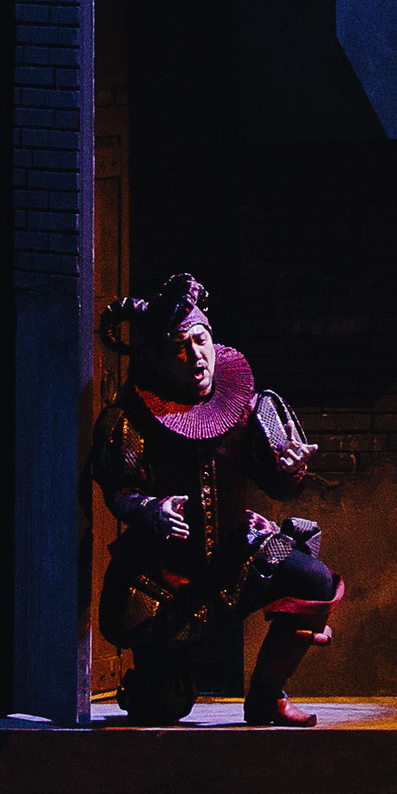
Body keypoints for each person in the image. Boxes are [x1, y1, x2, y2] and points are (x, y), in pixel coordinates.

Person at [91, 273, 341, 727]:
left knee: (315, 581)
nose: (195, 355)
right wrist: (150, 509)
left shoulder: (247, 405)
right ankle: (147, 685)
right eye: (179, 346)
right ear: (160, 356)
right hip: (166, 573)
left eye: (200, 340)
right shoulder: (131, 417)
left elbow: (280, 487)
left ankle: (267, 696)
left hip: (236, 553)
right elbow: (119, 490)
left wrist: (289, 469)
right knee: (163, 707)